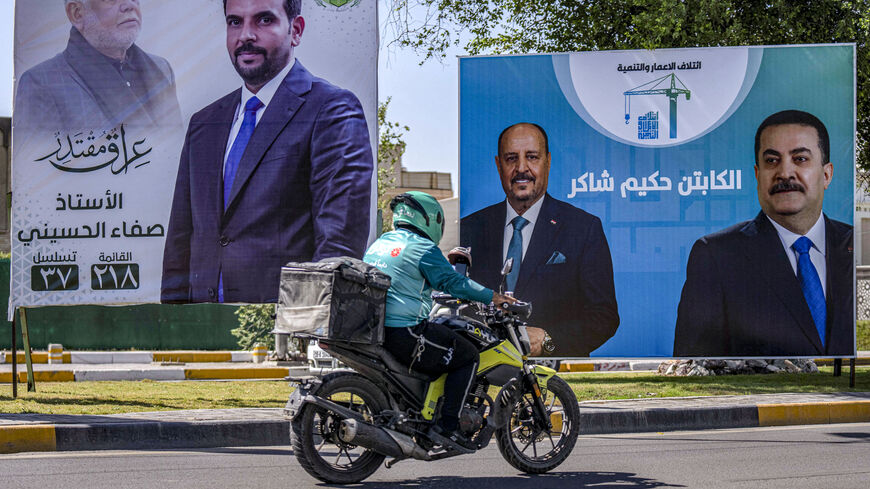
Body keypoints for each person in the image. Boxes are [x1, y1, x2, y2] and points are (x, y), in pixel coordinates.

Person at [161, 0, 373, 303]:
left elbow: (338, 246)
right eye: (235, 22)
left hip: (285, 324)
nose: (245, 35)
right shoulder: (204, 124)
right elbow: (181, 242)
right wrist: (174, 324)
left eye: (263, 20)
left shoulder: (332, 110)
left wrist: (309, 325)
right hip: (203, 324)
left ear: (295, 30)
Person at [674, 110, 854, 357]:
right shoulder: (717, 256)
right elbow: (693, 360)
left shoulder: (854, 245)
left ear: (826, 174)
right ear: (758, 176)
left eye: (800, 159)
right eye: (772, 161)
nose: (785, 173)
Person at [364, 191, 521, 450]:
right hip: (404, 332)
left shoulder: (380, 243)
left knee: (442, 341)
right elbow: (453, 282)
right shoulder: (423, 248)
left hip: (377, 329)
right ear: (430, 218)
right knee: (467, 356)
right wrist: (493, 297)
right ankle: (448, 428)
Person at [461, 123, 620, 357]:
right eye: (511, 158)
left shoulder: (583, 228)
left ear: (548, 161)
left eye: (532, 157)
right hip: (483, 369)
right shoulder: (468, 229)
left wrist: (547, 340)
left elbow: (604, 317)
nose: (521, 168)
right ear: (498, 164)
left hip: (554, 370)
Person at [15, 0, 181, 130]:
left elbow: (177, 147)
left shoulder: (161, 69)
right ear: (77, 13)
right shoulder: (42, 83)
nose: (129, 5)